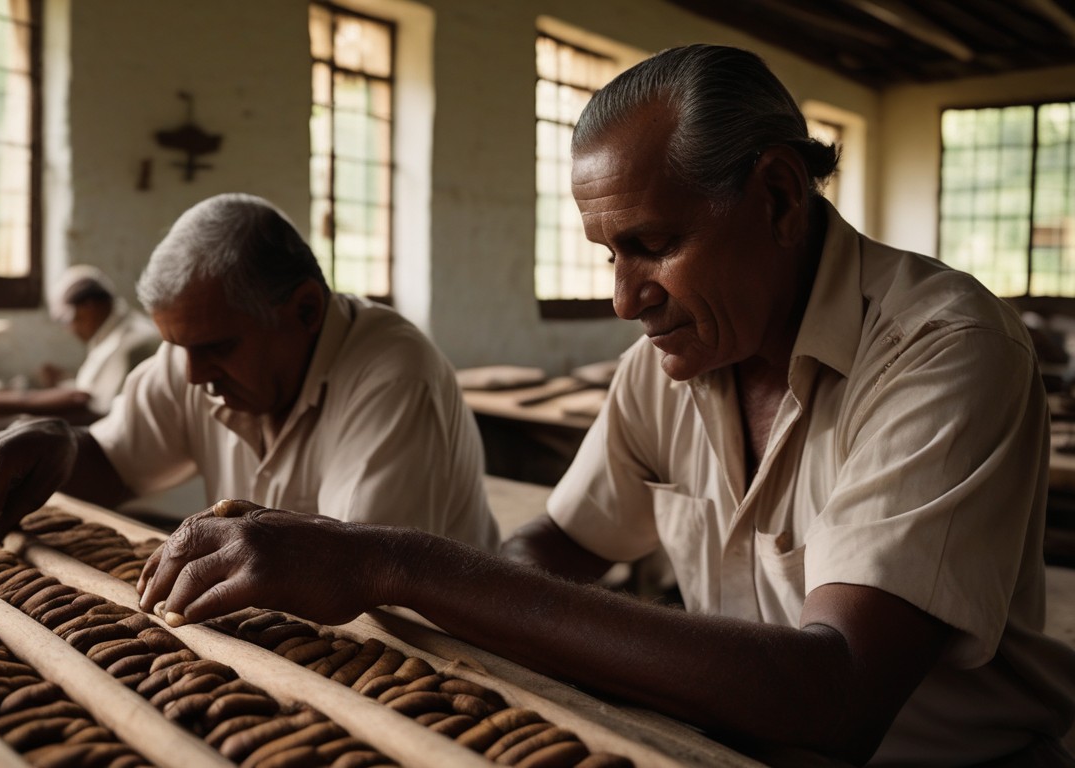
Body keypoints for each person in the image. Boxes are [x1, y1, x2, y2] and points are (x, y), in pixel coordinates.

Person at [132, 46, 1075, 766]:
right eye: (607, 254)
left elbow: (833, 694)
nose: (625, 299)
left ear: (781, 196)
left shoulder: (943, 350)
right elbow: (553, 551)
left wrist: (392, 559)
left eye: (652, 245)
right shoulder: (669, 367)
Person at [0, 192, 499, 553]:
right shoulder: (194, 350)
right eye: (180, 348)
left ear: (306, 311)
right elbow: (116, 462)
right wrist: (63, 448)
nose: (192, 375)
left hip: (436, 660)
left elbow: (360, 574)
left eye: (216, 347)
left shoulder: (393, 377)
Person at [0, 264, 160, 423]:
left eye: (70, 319)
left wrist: (11, 403)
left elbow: (93, 409)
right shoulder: (122, 330)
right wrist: (66, 380)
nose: (71, 329)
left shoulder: (130, 345)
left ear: (90, 306)